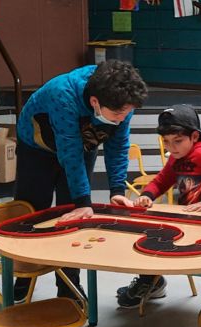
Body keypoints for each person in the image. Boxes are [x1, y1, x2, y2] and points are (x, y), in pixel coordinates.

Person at [13, 60, 148, 302]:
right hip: (38, 147)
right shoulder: (62, 93)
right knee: (32, 209)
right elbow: (70, 151)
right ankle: (23, 276)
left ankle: (69, 286)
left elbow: (118, 144)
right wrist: (84, 200)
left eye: (127, 113)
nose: (123, 118)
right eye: (118, 114)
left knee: (75, 216)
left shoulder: (123, 100)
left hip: (84, 141)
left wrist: (116, 189)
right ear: (95, 102)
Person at [115, 104, 201, 308]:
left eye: (177, 141)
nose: (172, 148)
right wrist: (146, 196)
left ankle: (149, 281)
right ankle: (152, 280)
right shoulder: (176, 159)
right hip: (187, 219)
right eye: (166, 142)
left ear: (195, 136)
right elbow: (160, 181)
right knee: (147, 233)